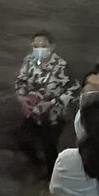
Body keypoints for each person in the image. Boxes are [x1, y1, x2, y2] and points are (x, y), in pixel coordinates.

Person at [15, 31, 78, 170]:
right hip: (33, 113)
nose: (39, 49)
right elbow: (21, 80)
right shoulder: (29, 60)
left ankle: (53, 175)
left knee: (49, 147)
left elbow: (74, 89)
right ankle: (37, 163)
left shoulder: (61, 66)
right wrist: (22, 97)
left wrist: (52, 103)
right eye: (36, 45)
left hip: (53, 116)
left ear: (52, 46)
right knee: (21, 140)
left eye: (43, 45)